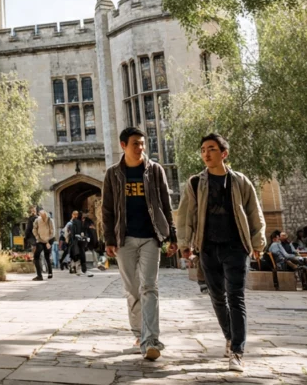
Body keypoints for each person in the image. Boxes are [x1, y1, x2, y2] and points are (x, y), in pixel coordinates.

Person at [178, 133, 265, 373]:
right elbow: (186, 215)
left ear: (224, 153)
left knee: (236, 297)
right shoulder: (195, 183)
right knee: (217, 297)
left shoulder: (240, 181)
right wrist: (185, 244)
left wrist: (257, 244)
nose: (206, 153)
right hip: (207, 248)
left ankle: (237, 351)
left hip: (236, 247)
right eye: (203, 149)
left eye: (212, 149)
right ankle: (230, 336)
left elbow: (254, 213)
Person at [102, 127, 178, 361]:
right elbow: (107, 208)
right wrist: (109, 240)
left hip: (150, 237)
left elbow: (165, 203)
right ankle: (139, 333)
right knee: (133, 290)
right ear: (123, 145)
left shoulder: (155, 171)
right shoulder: (113, 174)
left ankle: (151, 340)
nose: (141, 148)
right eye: (135, 143)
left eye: (143, 144)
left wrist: (171, 235)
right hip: (124, 238)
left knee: (150, 287)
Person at [32, 210, 55, 280]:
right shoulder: (37, 220)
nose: (42, 216)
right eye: (41, 215)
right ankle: (40, 275)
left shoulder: (50, 220)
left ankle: (49, 273)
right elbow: (34, 229)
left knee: (47, 257)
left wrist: (48, 241)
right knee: (37, 257)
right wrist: (37, 237)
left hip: (47, 241)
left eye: (43, 215)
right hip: (40, 241)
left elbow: (52, 231)